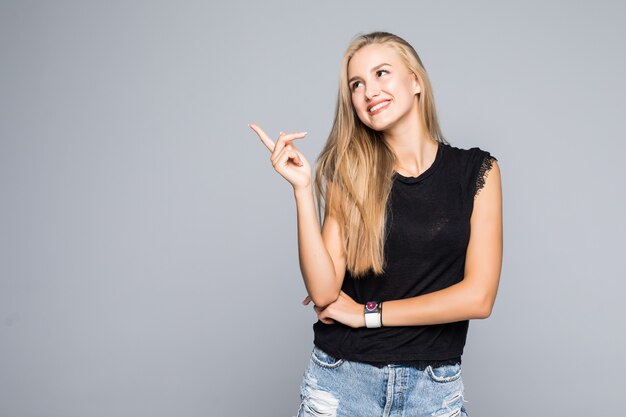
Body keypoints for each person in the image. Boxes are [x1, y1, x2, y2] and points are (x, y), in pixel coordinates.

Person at [249, 31, 502, 417]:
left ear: (416, 80)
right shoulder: (349, 172)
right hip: (342, 382)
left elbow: (478, 297)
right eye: (357, 84)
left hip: (432, 391)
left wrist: (368, 314)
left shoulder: (477, 171)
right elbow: (323, 292)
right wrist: (302, 191)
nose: (369, 91)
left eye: (382, 73)